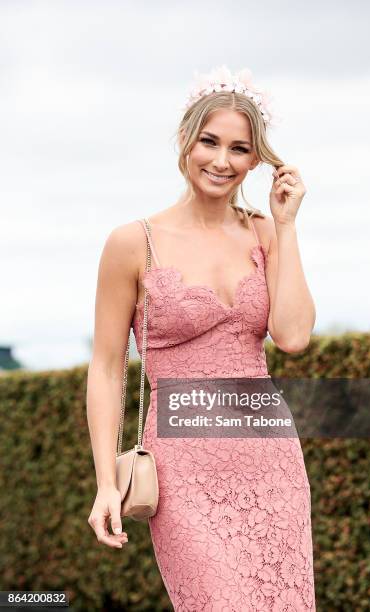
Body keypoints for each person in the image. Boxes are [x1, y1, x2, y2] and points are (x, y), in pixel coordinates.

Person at [87, 65, 316, 610]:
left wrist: (287, 225)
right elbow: (106, 367)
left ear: (256, 159)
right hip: (183, 468)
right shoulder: (132, 242)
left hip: (270, 459)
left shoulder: (264, 232)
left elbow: (292, 336)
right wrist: (103, 482)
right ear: (186, 142)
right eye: (209, 142)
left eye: (239, 149)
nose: (221, 160)